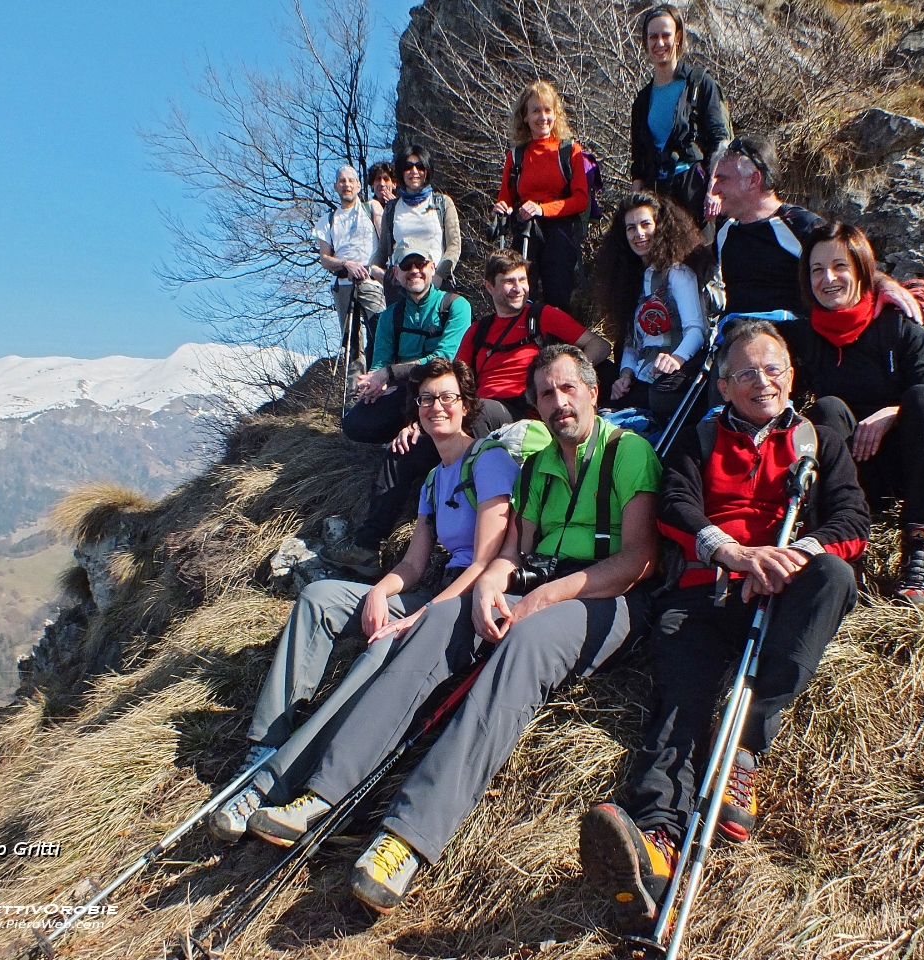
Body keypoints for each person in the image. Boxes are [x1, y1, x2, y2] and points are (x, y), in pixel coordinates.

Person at [250, 345, 662, 915]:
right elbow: (512, 550)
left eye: (569, 389)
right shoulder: (539, 468)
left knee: (524, 640)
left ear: (594, 391)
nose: (558, 402)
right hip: (535, 583)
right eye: (546, 393)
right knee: (443, 616)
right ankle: (324, 788)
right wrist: (493, 582)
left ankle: (409, 837)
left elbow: (639, 559)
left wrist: (547, 594)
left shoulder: (629, 454)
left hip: (605, 596)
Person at [579, 320, 868, 930]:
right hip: (705, 591)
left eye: (774, 369)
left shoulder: (819, 440)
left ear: (791, 375)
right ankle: (656, 843)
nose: (762, 381)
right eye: (746, 373)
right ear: (723, 384)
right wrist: (734, 553)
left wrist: (792, 557)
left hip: (787, 587)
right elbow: (675, 507)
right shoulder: (700, 433)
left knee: (835, 580)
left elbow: (851, 522)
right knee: (680, 703)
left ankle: (745, 755)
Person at [209, 359, 519, 842]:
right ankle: (266, 743)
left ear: (467, 405)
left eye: (447, 398)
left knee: (382, 647)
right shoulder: (434, 480)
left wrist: (416, 615)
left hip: (466, 596)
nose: (437, 407)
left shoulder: (489, 460)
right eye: (427, 399)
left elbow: (484, 562)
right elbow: (413, 564)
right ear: (415, 409)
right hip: (432, 588)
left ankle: (277, 782)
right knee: (319, 597)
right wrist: (380, 590)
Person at [788, 221, 924, 604]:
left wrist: (891, 415)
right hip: (863, 473)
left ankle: (922, 544)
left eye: (840, 267)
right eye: (817, 270)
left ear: (863, 271)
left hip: (923, 460)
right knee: (827, 410)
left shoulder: (900, 324)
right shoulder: (806, 337)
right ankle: (841, 543)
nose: (828, 279)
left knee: (922, 397)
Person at [326, 240, 507, 577]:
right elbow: (381, 360)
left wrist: (392, 376)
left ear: (432, 268)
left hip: (444, 394)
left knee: (401, 452)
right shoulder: (390, 316)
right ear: (396, 273)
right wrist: (375, 384)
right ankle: (367, 546)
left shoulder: (456, 305)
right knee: (356, 424)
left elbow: (444, 359)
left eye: (420, 264)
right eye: (406, 267)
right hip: (407, 393)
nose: (414, 272)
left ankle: (369, 540)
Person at [705, 134, 922, 323]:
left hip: (791, 348)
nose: (714, 189)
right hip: (737, 347)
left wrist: (886, 285)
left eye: (722, 179)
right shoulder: (725, 233)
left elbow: (850, 265)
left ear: (754, 179)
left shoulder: (798, 224)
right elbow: (691, 267)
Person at [594, 192, 712, 425]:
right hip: (641, 374)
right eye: (631, 228)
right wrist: (624, 375)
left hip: (672, 374)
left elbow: (696, 329)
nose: (639, 234)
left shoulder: (678, 274)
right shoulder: (631, 282)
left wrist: (676, 359)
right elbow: (631, 342)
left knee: (660, 398)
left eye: (645, 224)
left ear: (660, 227)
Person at [458, 247, 612, 420]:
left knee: (480, 413)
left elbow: (600, 345)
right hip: (482, 408)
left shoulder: (543, 316)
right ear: (490, 286)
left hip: (526, 410)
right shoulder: (478, 330)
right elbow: (456, 377)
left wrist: (569, 372)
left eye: (522, 280)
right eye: (509, 282)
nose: (518, 289)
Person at [629, 4, 731, 227]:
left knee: (698, 260)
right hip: (656, 195)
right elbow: (638, 160)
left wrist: (714, 190)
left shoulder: (700, 83)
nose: (659, 43)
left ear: (678, 37)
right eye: (653, 36)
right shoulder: (642, 100)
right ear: (645, 42)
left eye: (666, 35)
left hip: (694, 193)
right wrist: (633, 206)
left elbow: (719, 142)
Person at [493, 80, 590, 312]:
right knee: (522, 295)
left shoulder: (570, 151)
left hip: (560, 232)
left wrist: (543, 209)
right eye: (535, 110)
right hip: (525, 231)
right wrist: (501, 209)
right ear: (524, 116)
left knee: (558, 297)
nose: (542, 117)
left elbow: (580, 199)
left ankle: (559, 346)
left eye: (548, 110)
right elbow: (505, 197)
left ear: (556, 114)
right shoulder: (515, 156)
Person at [314, 165, 386, 380]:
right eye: (342, 181)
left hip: (371, 281)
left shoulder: (371, 208)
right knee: (352, 342)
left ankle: (378, 382)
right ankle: (355, 394)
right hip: (344, 283)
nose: (346, 185)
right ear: (336, 186)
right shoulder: (327, 220)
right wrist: (346, 263)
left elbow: (385, 244)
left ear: (358, 185)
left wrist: (377, 269)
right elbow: (325, 258)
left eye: (350, 181)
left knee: (380, 331)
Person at [371, 145, 462, 299]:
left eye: (420, 166)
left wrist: (439, 276)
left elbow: (454, 245)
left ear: (427, 170)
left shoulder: (443, 203)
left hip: (437, 285)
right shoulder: (392, 208)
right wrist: (373, 269)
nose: (414, 171)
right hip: (400, 287)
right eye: (408, 167)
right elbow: (382, 250)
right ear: (401, 172)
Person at [367, 160, 396, 231]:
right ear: (372, 185)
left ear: (394, 183)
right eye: (378, 179)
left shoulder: (403, 206)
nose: (382, 183)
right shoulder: (367, 210)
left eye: (386, 179)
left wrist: (395, 206)